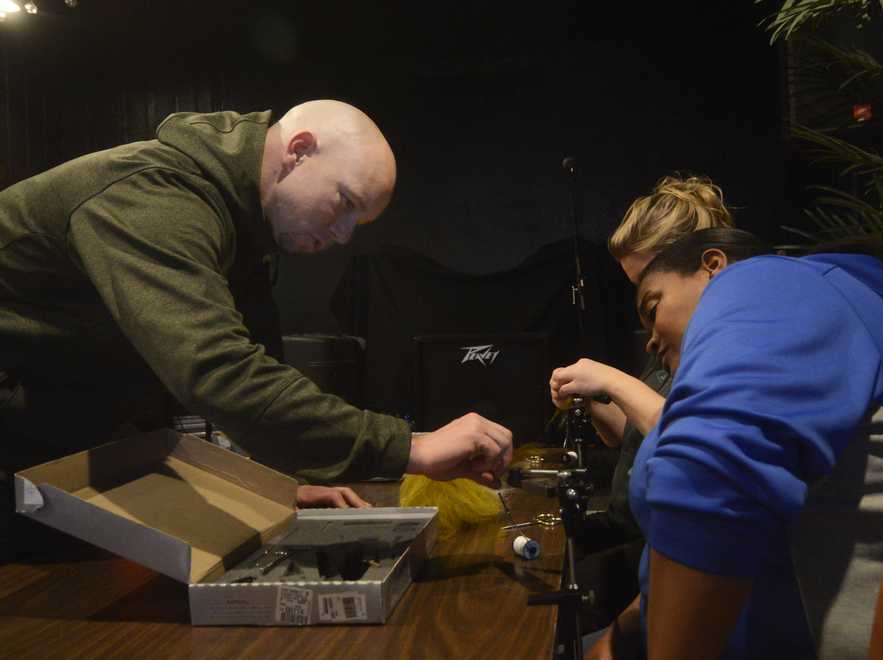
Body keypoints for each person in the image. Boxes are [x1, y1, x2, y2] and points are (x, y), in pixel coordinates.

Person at [1, 100, 512, 559]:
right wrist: (411, 448)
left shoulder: (241, 229)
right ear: (299, 150)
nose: (342, 235)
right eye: (345, 203)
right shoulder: (150, 198)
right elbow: (219, 373)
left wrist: (275, 483)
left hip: (53, 456)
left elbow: (258, 371)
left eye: (359, 223)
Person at [583, 228, 883, 660]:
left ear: (713, 266)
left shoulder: (764, 281)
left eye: (653, 307)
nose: (649, 339)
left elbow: (707, 480)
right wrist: (629, 629)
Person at [548, 176, 733, 632]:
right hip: (632, 531)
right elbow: (628, 436)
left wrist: (613, 379)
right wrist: (592, 397)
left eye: (652, 295)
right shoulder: (669, 350)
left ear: (707, 265)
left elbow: (692, 443)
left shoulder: (733, 349)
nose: (647, 317)